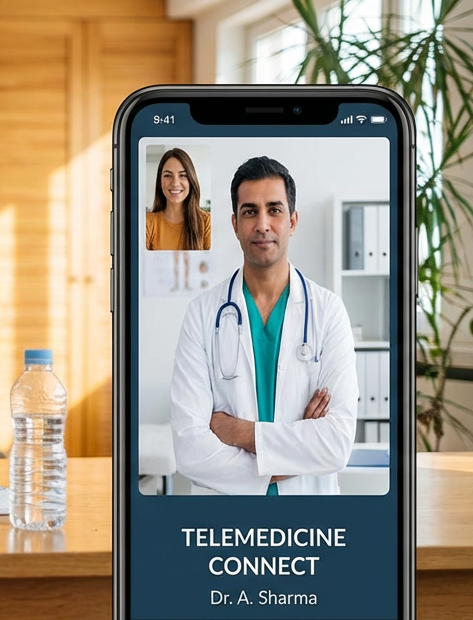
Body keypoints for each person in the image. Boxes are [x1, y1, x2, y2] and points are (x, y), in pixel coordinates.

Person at [168, 156, 357, 495]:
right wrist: (296, 448)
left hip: (308, 523)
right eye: (250, 211)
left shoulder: (328, 312)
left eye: (275, 209)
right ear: (235, 223)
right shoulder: (202, 314)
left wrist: (238, 432)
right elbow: (189, 450)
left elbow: (336, 445)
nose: (263, 224)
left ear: (293, 221)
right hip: (225, 527)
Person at [145, 149, 213, 294]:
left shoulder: (206, 222)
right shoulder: (148, 223)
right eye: (168, 176)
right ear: (160, 182)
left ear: (191, 180)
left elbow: (211, 277)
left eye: (182, 175)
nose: (175, 183)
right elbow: (144, 275)